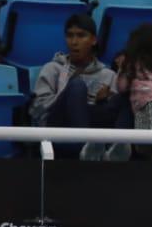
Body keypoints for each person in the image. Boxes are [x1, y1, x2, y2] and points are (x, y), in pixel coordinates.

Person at [29, 14, 120, 151]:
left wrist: (103, 101)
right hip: (57, 132)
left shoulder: (108, 75)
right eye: (70, 36)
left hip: (94, 133)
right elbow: (37, 111)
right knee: (77, 86)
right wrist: (67, 92)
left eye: (81, 35)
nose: (74, 42)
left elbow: (112, 114)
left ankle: (117, 148)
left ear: (93, 40)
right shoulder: (53, 69)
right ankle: (86, 148)